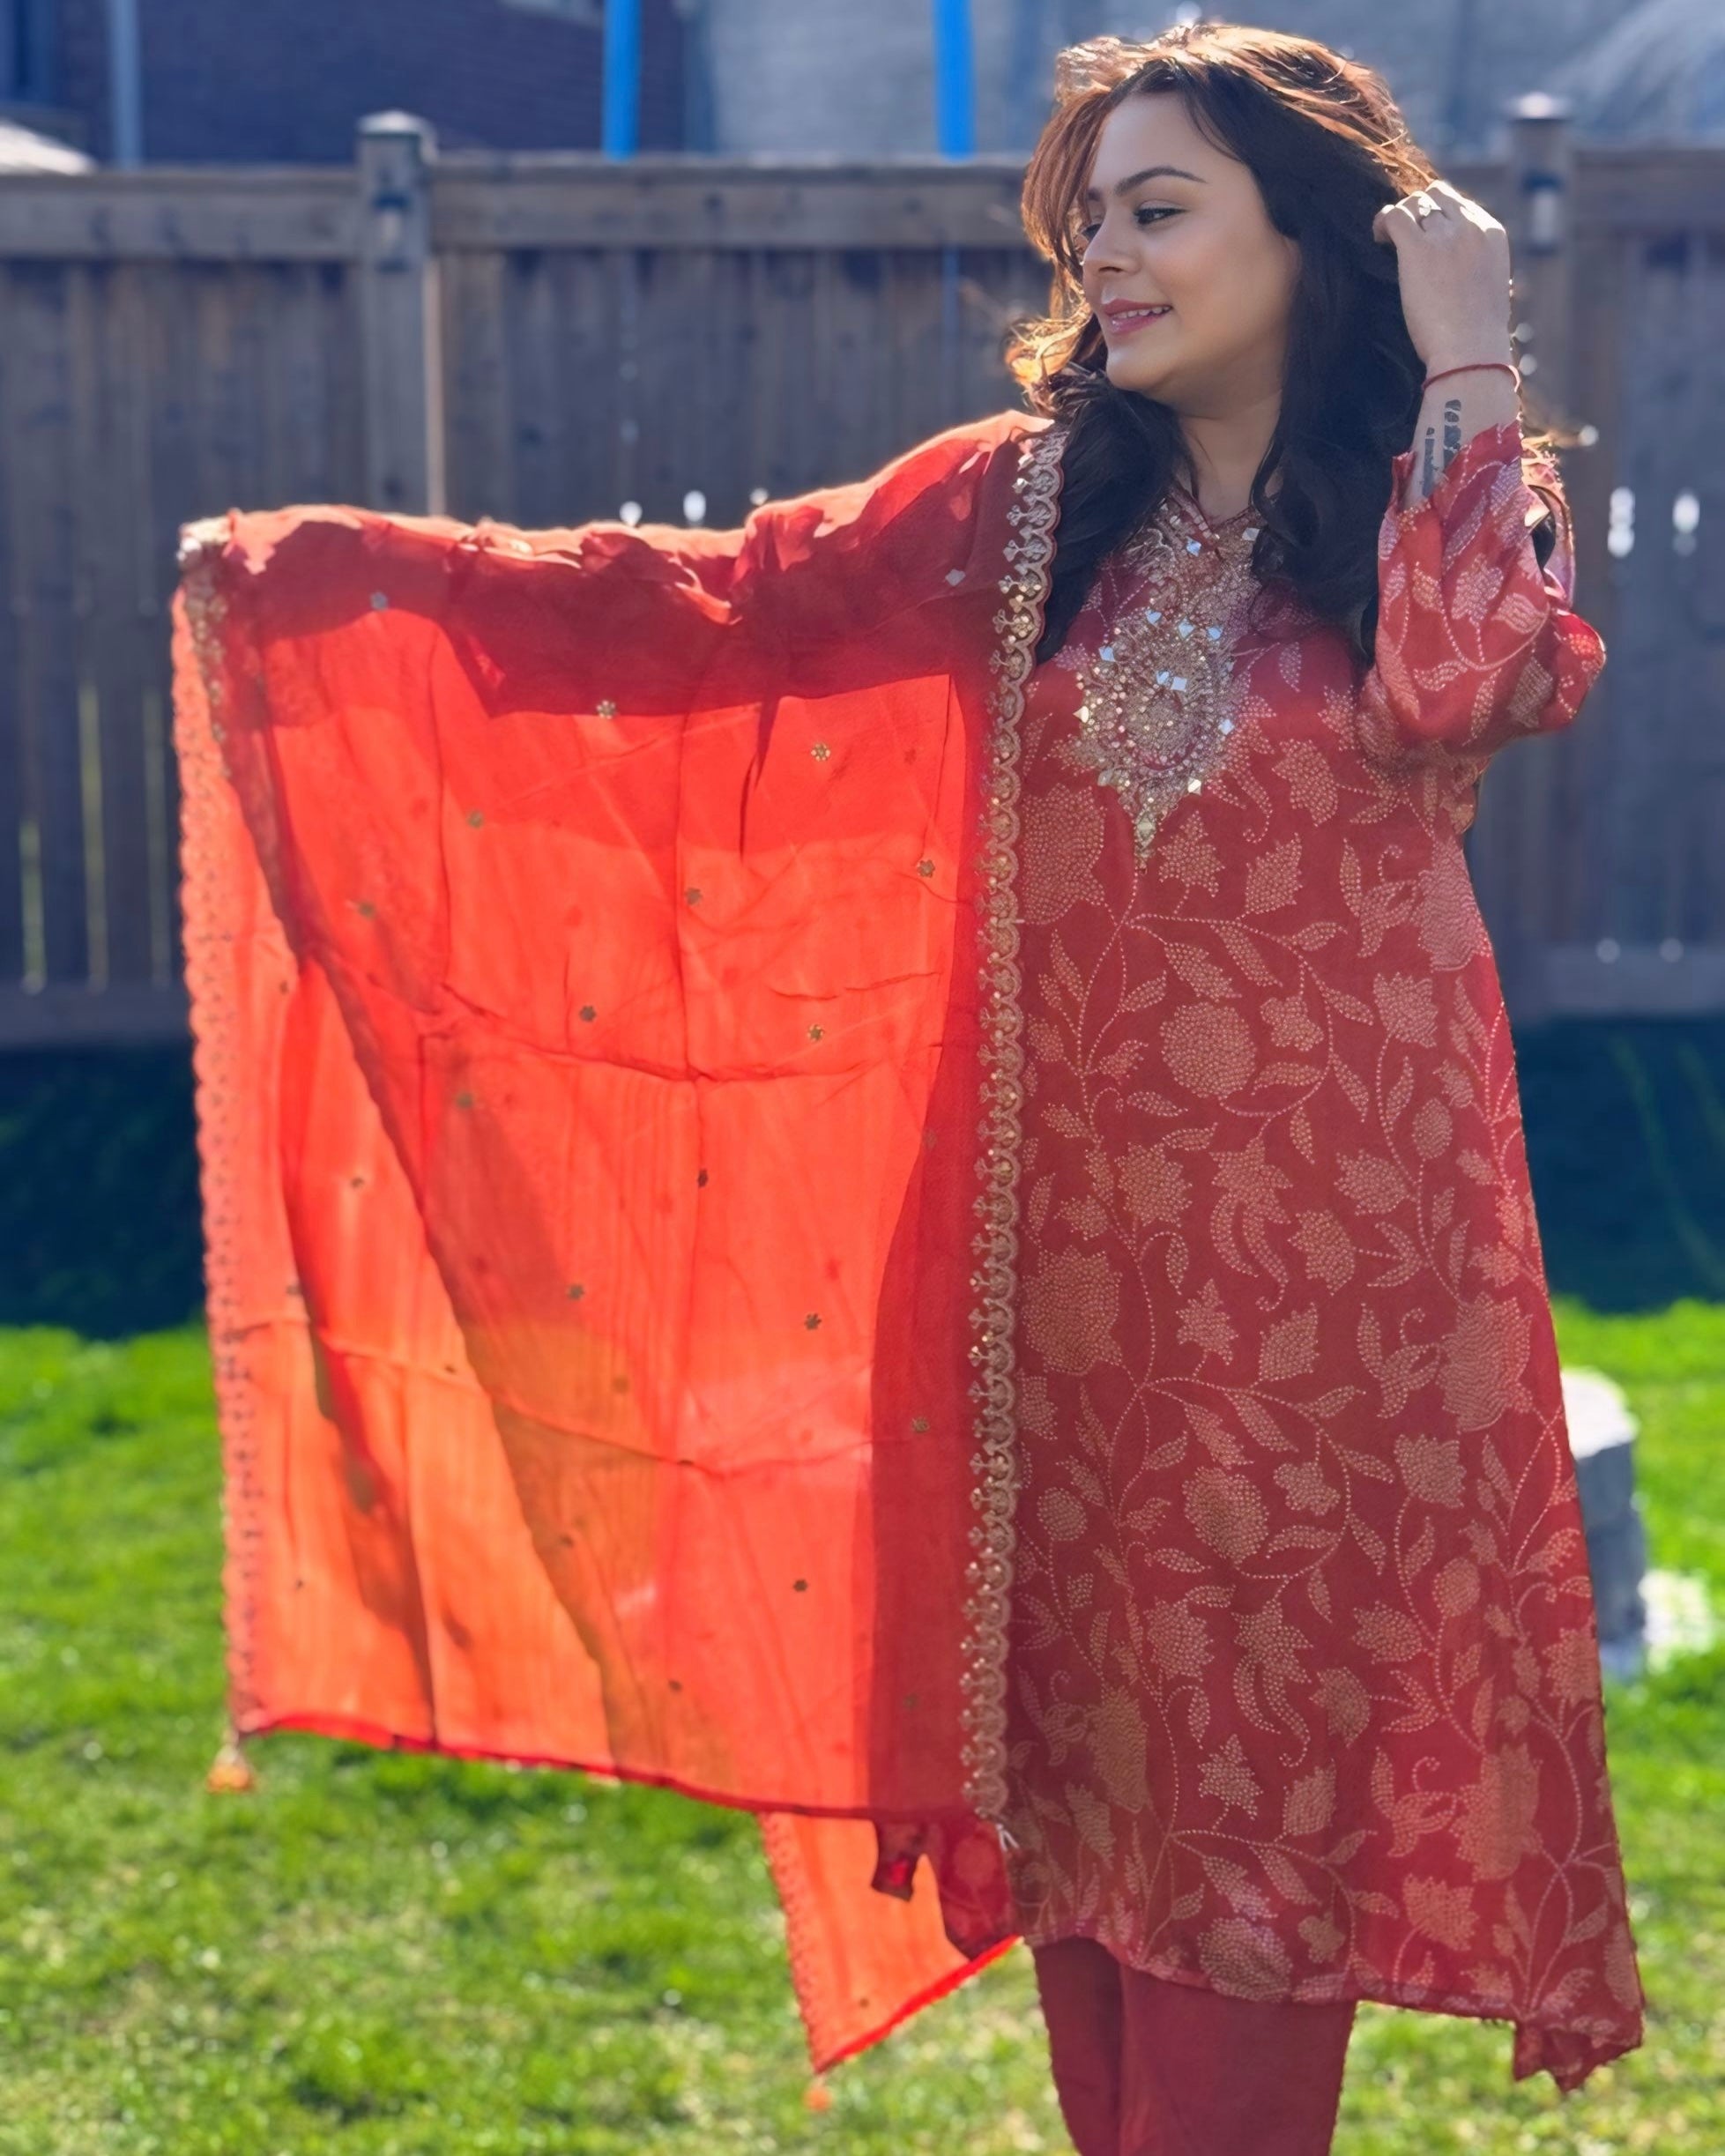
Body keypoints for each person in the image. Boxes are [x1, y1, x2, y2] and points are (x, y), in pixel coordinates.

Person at [172, 23, 1643, 2155]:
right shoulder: (1027, 512)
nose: (1105, 261)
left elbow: (1473, 678)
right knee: (1100, 1865)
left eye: (1158, 210)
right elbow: (711, 605)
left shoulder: (1425, 506)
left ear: (1316, 238)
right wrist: (334, 580)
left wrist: (1473, 352)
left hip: (1314, 1338)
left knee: (1245, 1884)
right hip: (1043, 1320)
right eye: (1089, 221)